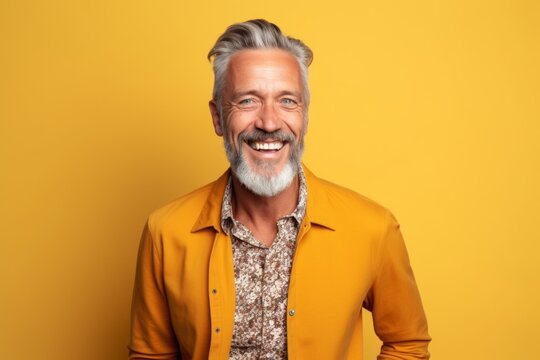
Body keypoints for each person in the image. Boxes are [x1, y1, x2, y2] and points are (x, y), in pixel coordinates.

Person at [128, 19, 431, 360]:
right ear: (217, 118)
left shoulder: (372, 228)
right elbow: (150, 355)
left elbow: (408, 344)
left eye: (287, 101)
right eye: (247, 101)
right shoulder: (165, 232)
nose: (269, 123)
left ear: (305, 115)